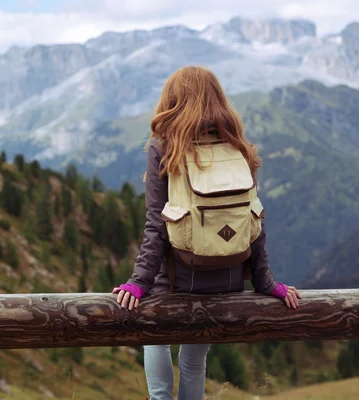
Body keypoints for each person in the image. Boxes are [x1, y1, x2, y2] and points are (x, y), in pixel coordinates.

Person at [112, 66, 302, 400]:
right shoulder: (238, 147)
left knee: (155, 335)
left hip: (177, 278)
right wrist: (266, 283)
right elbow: (253, 218)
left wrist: (138, 282)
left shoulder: (165, 147)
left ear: (172, 100)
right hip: (225, 277)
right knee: (195, 358)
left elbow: (157, 223)